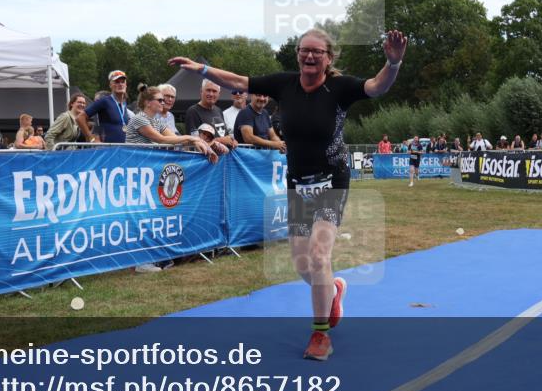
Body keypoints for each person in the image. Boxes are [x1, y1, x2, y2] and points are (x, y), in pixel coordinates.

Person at [169, 27, 407, 361]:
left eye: (317, 52)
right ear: (298, 54)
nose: (309, 56)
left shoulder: (339, 88)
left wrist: (393, 63)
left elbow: (375, 87)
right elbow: (239, 81)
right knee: (302, 263)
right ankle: (334, 290)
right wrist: (202, 70)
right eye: (304, 50)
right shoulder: (284, 84)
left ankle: (320, 335)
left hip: (332, 180)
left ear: (328, 58)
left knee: (320, 255)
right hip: (298, 183)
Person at [125, 86, 217, 162]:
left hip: (145, 163)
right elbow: (162, 140)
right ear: (148, 103)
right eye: (160, 100)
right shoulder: (139, 118)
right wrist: (192, 138)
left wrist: (196, 142)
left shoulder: (157, 121)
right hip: (134, 162)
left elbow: (176, 139)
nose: (163, 102)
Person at [78, 70, 133, 144]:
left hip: (122, 149)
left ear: (126, 85)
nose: (120, 84)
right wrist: (91, 138)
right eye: (117, 82)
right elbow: (80, 118)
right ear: (110, 85)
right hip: (107, 150)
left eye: (123, 82)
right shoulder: (104, 101)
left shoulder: (124, 103)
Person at [184, 80, 237, 157]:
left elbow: (224, 135)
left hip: (221, 160)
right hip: (204, 161)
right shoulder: (193, 111)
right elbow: (194, 141)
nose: (211, 94)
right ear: (201, 91)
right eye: (208, 90)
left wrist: (232, 141)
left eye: (214, 91)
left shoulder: (218, 110)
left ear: (219, 94)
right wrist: (221, 141)